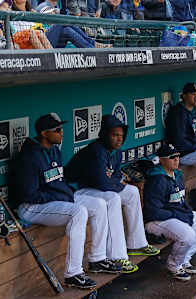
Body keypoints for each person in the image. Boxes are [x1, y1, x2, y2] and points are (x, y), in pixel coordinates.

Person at [14, 113, 122, 289]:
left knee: (99, 205)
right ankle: (73, 273)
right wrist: (60, 196)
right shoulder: (29, 157)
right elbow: (29, 195)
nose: (61, 132)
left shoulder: (54, 151)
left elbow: (58, 184)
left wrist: (65, 194)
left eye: (61, 129)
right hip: (32, 207)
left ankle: (97, 259)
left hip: (53, 199)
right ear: (43, 133)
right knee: (78, 212)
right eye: (57, 130)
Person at [65, 114, 160, 265]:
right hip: (76, 190)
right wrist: (117, 184)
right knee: (113, 198)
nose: (119, 139)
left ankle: (137, 243)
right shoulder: (96, 151)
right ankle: (117, 256)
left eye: (121, 136)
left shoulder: (116, 152)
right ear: (104, 134)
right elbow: (103, 183)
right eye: (115, 135)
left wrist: (117, 184)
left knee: (132, 192)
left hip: (93, 188)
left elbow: (115, 177)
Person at [143, 143, 196, 280]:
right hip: (157, 222)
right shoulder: (156, 180)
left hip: (174, 216)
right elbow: (153, 212)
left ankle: (185, 259)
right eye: (172, 157)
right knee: (187, 234)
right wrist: (178, 216)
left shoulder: (177, 175)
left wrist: (185, 213)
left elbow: (181, 202)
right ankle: (174, 265)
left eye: (177, 156)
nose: (176, 159)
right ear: (161, 160)